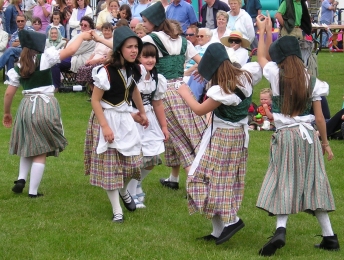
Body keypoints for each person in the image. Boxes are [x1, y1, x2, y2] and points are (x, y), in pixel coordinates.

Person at [256, 14, 339, 257]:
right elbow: (321, 117)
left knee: (284, 182)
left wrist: (263, 30)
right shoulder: (312, 80)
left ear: (280, 56)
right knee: (314, 185)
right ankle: (329, 237)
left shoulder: (274, 73)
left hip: (287, 135)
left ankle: (280, 230)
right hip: (309, 137)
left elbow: (261, 56)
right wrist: (325, 143)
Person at [176, 42, 261, 244]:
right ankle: (217, 230)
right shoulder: (246, 75)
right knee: (220, 180)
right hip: (238, 137)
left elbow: (199, 109)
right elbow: (261, 63)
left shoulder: (221, 90)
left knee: (202, 178)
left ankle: (232, 220)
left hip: (223, 136)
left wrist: (185, 93)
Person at [3, 29, 92, 198]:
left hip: (25, 108)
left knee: (27, 144)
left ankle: (21, 178)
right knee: (41, 149)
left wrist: (7, 113)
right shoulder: (45, 59)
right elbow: (71, 51)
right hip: (45, 106)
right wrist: (81, 36)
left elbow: (8, 94)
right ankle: (33, 192)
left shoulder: (18, 67)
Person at [84, 26, 149, 223]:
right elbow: (96, 101)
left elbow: (133, 89)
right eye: (129, 47)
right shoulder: (106, 72)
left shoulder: (135, 68)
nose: (134, 51)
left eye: (136, 47)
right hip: (107, 118)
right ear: (120, 48)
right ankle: (117, 211)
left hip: (124, 118)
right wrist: (104, 126)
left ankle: (123, 190)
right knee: (111, 168)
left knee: (134, 165)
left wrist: (141, 112)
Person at [140, 2, 204, 189]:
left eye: (146, 21)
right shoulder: (183, 41)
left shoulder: (150, 39)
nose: (144, 24)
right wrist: (203, 71)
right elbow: (202, 61)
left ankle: (195, 185)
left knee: (178, 138)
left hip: (163, 93)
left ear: (154, 22)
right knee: (185, 134)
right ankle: (173, 179)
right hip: (183, 91)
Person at [127, 42, 168, 208]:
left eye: (153, 56)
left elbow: (157, 103)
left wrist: (164, 127)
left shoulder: (157, 78)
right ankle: (130, 192)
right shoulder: (131, 75)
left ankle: (136, 184)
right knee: (135, 158)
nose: (150, 60)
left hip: (149, 119)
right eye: (146, 56)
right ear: (138, 58)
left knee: (152, 158)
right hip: (131, 117)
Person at [51, 16, 96, 91]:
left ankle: (56, 87)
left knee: (55, 63)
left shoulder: (91, 38)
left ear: (90, 26)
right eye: (81, 24)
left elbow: (75, 50)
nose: (83, 27)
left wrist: (65, 51)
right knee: (52, 60)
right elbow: (68, 47)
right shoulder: (79, 35)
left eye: (85, 25)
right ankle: (53, 84)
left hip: (79, 59)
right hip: (72, 56)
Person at [76, 22, 112, 89]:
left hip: (102, 62)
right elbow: (94, 53)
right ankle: (91, 89)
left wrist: (95, 61)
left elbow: (107, 57)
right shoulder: (99, 40)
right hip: (94, 60)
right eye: (105, 30)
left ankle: (95, 90)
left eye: (108, 30)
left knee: (90, 69)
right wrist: (89, 60)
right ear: (102, 31)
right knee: (83, 67)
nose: (106, 32)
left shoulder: (111, 42)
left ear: (111, 31)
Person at [0, 15, 33, 80]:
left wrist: (19, 41)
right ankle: (10, 79)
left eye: (22, 21)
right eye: (18, 21)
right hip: (17, 51)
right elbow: (12, 44)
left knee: (10, 50)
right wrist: (22, 41)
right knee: (10, 56)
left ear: (25, 21)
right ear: (16, 22)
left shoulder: (30, 30)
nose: (20, 22)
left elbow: (30, 42)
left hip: (27, 51)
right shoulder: (15, 33)